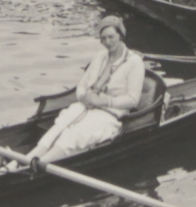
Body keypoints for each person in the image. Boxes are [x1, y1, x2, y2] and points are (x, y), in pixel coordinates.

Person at [25, 16, 146, 164]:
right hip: (85, 107)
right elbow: (81, 86)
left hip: (110, 115)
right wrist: (84, 97)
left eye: (111, 37)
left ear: (120, 35)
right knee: (59, 128)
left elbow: (133, 100)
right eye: (103, 38)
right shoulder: (100, 57)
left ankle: (37, 165)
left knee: (73, 135)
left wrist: (104, 101)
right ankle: (23, 161)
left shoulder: (134, 62)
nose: (107, 42)